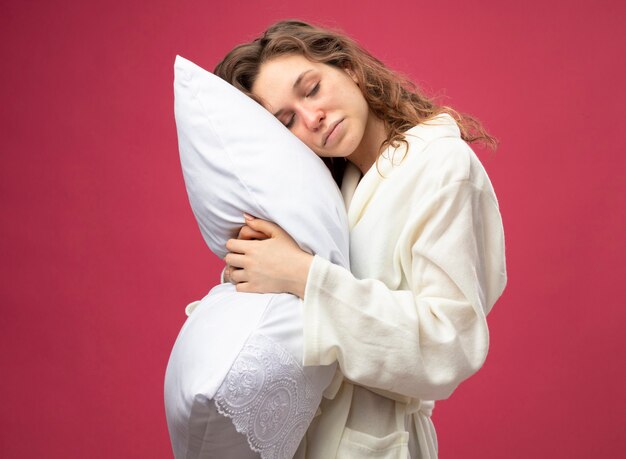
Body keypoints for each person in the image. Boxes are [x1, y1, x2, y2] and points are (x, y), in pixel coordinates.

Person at [214, 19, 507, 458]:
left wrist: (303, 275)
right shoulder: (329, 193)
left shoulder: (442, 166)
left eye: (311, 89)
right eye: (287, 120)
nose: (313, 119)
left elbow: (450, 344)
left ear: (349, 68)